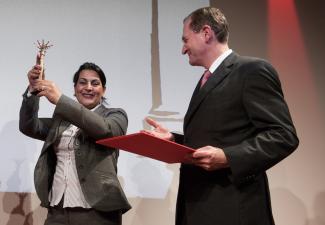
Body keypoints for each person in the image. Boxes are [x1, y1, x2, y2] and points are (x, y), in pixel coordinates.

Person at [144, 7, 299, 225]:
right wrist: (174, 140)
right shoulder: (205, 79)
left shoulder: (252, 71)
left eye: (185, 40)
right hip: (199, 208)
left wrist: (228, 157)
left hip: (232, 209)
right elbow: (215, 138)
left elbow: (283, 136)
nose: (183, 49)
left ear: (206, 33)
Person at [19, 60, 131, 225]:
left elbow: (106, 131)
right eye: (82, 82)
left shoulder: (115, 116)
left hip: (98, 212)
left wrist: (60, 100)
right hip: (58, 210)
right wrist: (32, 91)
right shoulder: (61, 121)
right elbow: (29, 126)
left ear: (103, 90)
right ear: (75, 88)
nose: (88, 87)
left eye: (95, 83)